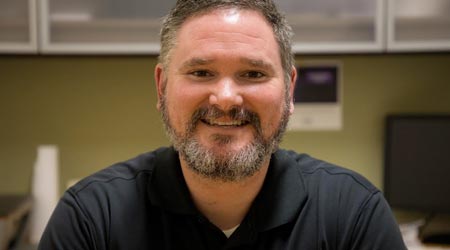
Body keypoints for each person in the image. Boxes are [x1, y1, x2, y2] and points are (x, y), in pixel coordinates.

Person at [38, 0, 407, 249]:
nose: (226, 98)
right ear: (162, 86)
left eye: (252, 73)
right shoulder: (92, 219)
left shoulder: (353, 215)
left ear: (290, 90)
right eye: (201, 72)